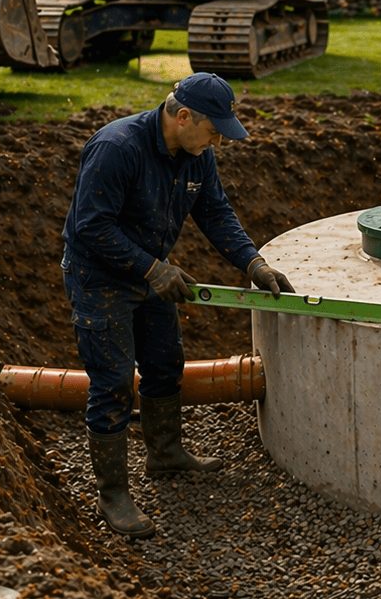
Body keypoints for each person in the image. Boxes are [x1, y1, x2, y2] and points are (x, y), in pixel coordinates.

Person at [61, 72, 293, 539]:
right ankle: (113, 496)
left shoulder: (196, 155)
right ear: (183, 117)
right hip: (101, 277)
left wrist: (252, 263)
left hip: (151, 271)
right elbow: (90, 227)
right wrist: (152, 269)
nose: (217, 143)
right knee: (112, 383)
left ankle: (164, 455)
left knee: (166, 363)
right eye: (213, 132)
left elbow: (215, 211)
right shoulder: (117, 149)